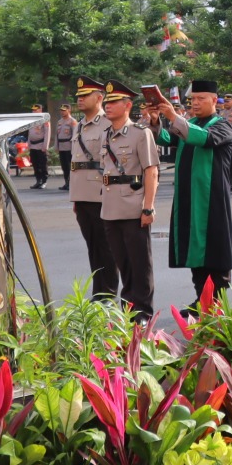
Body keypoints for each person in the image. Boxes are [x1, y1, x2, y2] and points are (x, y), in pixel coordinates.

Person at [151, 80, 232, 301]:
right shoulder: (190, 123)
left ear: (214, 100)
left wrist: (173, 116)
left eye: (201, 99)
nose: (195, 103)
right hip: (188, 197)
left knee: (214, 252)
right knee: (193, 252)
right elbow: (167, 139)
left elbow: (204, 138)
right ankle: (202, 298)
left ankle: (216, 302)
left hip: (211, 199)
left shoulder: (222, 125)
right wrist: (155, 120)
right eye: (193, 99)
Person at [96, 81, 158, 321]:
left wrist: (148, 206)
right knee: (122, 261)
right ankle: (129, 308)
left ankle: (143, 311)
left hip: (133, 206)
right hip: (110, 207)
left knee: (139, 262)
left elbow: (151, 171)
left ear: (127, 106)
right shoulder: (106, 135)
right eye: (107, 102)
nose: (108, 106)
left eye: (113, 102)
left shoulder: (140, 134)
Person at [68, 76, 113, 285]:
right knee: (93, 246)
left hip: (101, 194)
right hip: (82, 194)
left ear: (99, 98)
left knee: (105, 247)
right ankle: (100, 290)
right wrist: (75, 197)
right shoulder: (79, 126)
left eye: (85, 96)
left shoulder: (108, 124)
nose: (80, 99)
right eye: (78, 96)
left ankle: (106, 293)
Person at [26, 104, 50, 188]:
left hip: (40, 145)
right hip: (33, 145)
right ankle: (38, 180)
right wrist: (28, 144)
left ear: (40, 110)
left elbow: (47, 133)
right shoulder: (32, 120)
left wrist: (45, 146)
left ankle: (44, 181)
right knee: (35, 164)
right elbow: (30, 133)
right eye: (33, 110)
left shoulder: (44, 120)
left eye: (35, 110)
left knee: (42, 164)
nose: (33, 111)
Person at [54, 104, 75, 191]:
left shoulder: (72, 121)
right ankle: (66, 182)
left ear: (69, 110)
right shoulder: (60, 122)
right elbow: (57, 135)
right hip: (62, 147)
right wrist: (56, 146)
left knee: (69, 165)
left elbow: (75, 136)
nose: (62, 112)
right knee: (64, 166)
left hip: (69, 146)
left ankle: (71, 183)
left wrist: (74, 148)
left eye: (64, 110)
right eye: (61, 110)